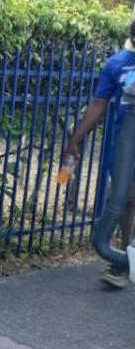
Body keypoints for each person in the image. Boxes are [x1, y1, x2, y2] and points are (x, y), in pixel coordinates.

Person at [62, 19, 135, 288]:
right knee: (125, 199)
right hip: (125, 142)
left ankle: (125, 261)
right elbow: (98, 104)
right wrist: (76, 139)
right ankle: (124, 260)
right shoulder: (117, 64)